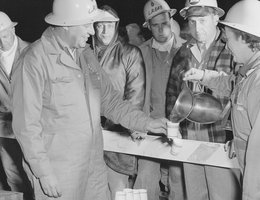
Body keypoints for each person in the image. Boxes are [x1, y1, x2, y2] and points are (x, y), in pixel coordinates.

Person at [10, 0, 167, 199]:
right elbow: (26, 126)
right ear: (66, 24)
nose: (92, 32)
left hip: (94, 167)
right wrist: (43, 172)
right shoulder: (33, 61)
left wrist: (147, 123)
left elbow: (110, 101)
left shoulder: (86, 56)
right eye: (86, 24)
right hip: (59, 171)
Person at [183, 1, 260, 199]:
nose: (226, 45)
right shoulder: (249, 75)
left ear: (245, 37)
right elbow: (231, 84)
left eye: (229, 39)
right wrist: (241, 139)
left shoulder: (258, 82)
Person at [166, 0, 241, 200]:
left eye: (202, 20)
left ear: (216, 17)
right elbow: (172, 94)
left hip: (221, 141)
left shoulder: (233, 49)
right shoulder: (183, 52)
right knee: (194, 194)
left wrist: (237, 135)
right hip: (190, 138)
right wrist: (173, 129)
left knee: (224, 195)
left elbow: (243, 96)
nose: (197, 28)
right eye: (191, 22)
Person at [92, 5, 146, 199]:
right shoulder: (82, 53)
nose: (105, 31)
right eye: (100, 25)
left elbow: (135, 95)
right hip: (87, 135)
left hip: (117, 133)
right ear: (94, 26)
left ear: (117, 26)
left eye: (110, 25)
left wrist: (132, 126)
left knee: (117, 191)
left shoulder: (130, 53)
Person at [137, 0, 185, 199]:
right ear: (148, 27)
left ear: (170, 19)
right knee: (145, 178)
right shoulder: (140, 51)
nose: (160, 29)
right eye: (154, 25)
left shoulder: (187, 50)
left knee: (179, 180)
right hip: (150, 126)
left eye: (164, 23)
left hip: (180, 128)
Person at [0, 11, 32, 199]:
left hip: (30, 122)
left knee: (32, 171)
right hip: (4, 123)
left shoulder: (32, 51)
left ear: (13, 29)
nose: (3, 41)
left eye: (5, 35)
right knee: (11, 173)